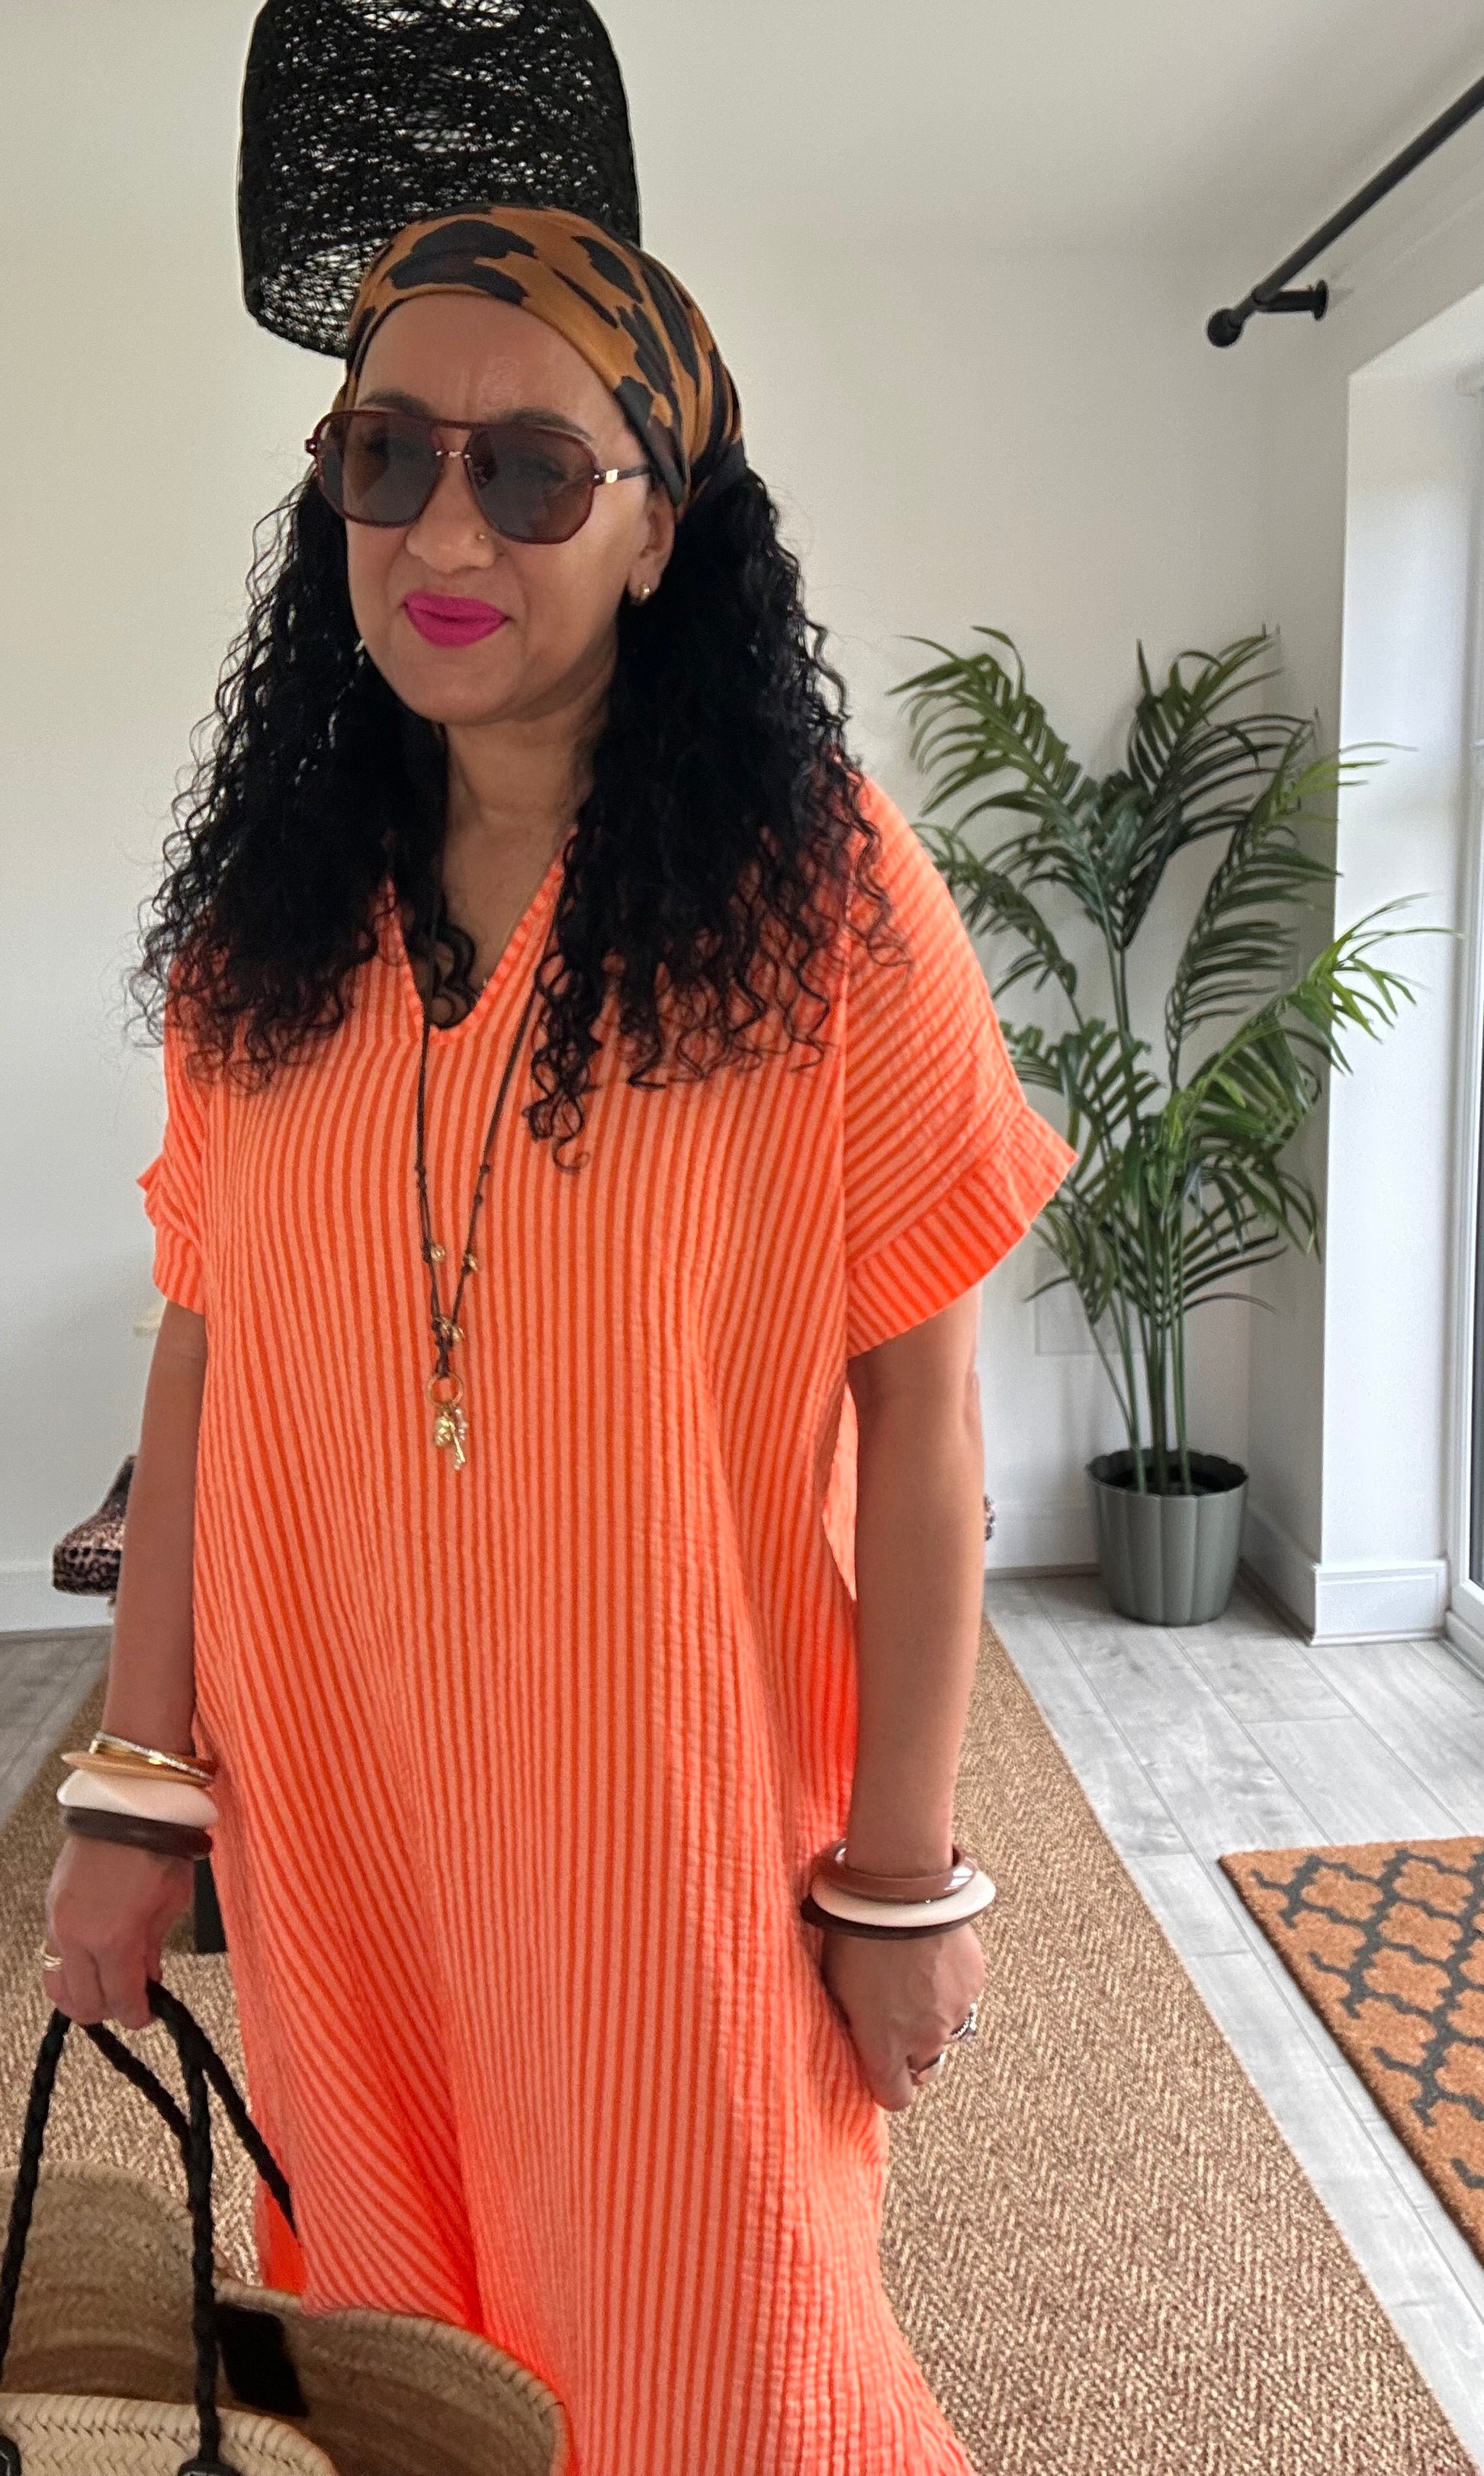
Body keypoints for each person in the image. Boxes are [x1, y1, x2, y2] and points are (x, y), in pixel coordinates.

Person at [40, 204, 1073, 2476]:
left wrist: (900, 1871)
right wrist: (135, 1789)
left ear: (657, 529)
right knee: (400, 2359)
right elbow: (202, 1361)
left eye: (529, 472)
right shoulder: (266, 929)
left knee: (728, 2348)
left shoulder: (823, 904)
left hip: (671, 1816)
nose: (441, 532)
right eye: (384, 456)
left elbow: (925, 1411)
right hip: (343, 1808)